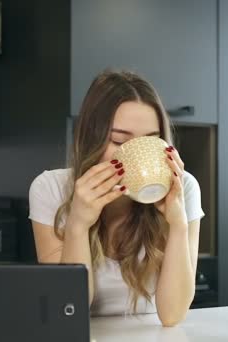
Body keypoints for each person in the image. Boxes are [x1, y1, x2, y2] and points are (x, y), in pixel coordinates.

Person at [29, 70, 204, 326]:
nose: (134, 155)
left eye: (151, 141)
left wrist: (177, 224)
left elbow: (173, 315)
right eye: (119, 140)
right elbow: (66, 310)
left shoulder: (183, 187)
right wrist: (77, 224)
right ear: (91, 139)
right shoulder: (51, 189)